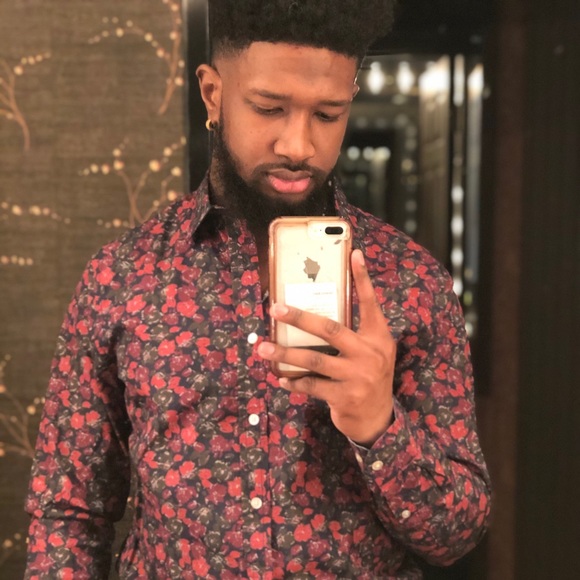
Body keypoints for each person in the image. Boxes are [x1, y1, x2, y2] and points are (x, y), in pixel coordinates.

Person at [24, 1, 491, 578]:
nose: (298, 145)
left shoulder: (411, 282)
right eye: (270, 108)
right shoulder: (122, 277)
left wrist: (379, 426)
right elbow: (68, 512)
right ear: (213, 94)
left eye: (328, 114)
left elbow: (456, 536)